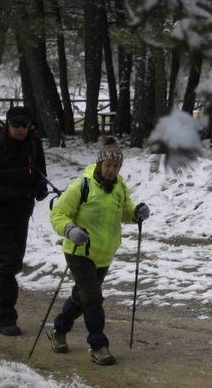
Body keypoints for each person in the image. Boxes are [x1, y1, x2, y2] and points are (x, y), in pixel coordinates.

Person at [48, 137, 150, 366]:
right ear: (100, 163)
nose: (112, 170)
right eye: (108, 165)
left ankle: (59, 330)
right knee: (93, 299)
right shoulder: (81, 186)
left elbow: (125, 212)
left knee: (81, 297)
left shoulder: (119, 187)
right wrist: (70, 230)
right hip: (79, 251)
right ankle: (98, 345)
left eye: (116, 166)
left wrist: (137, 213)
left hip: (104, 254)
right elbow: (58, 214)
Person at [0, 104, 48, 336]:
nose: (21, 129)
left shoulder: (34, 145)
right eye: (16, 125)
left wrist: (40, 189)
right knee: (7, 265)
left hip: (22, 214)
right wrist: (17, 194)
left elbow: (40, 174)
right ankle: (7, 318)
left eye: (25, 125)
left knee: (11, 265)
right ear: (8, 125)